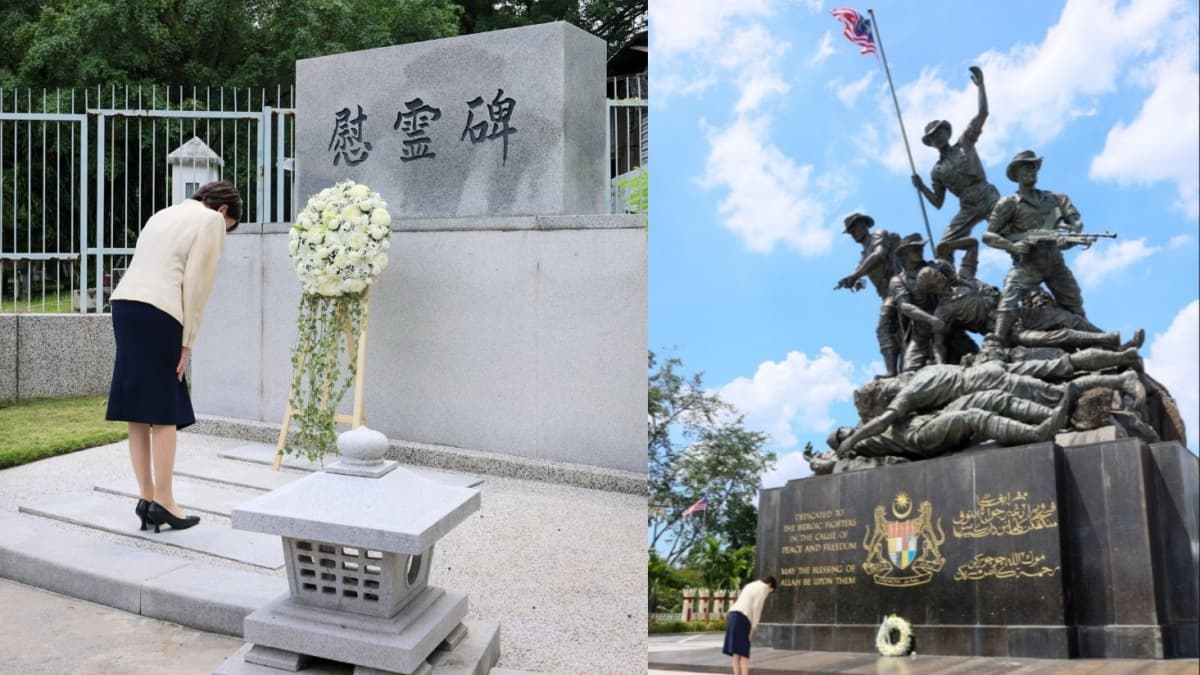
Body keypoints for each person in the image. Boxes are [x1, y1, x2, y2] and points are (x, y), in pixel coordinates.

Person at [105, 181, 242, 533]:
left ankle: (146, 498)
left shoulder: (163, 214)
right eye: (230, 229)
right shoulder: (211, 221)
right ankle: (165, 502)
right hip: (160, 311)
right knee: (164, 405)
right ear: (224, 210)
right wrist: (188, 341)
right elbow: (196, 282)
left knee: (137, 407)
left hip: (125, 305)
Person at [982, 150, 1089, 345]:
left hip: (1054, 261)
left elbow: (1076, 223)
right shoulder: (1009, 203)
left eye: (1032, 166)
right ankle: (996, 339)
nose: (1029, 171)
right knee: (1010, 294)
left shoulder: (1056, 199)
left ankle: (1093, 343)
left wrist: (1072, 236)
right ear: (1016, 174)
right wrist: (1012, 246)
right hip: (1029, 263)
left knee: (1074, 303)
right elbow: (988, 235)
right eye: (1024, 167)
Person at [911, 66, 999, 279]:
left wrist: (981, 87)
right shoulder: (937, 171)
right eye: (932, 137)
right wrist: (921, 186)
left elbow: (982, 114)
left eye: (939, 132)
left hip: (987, 196)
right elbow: (938, 203)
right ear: (930, 143)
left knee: (1009, 230)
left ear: (946, 132)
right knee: (944, 246)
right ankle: (950, 283)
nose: (937, 137)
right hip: (967, 206)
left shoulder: (965, 143)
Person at [834, 213, 902, 375]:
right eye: (850, 232)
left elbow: (879, 255)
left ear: (865, 225)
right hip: (887, 295)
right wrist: (852, 280)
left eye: (855, 228)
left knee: (883, 329)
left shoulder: (879, 235)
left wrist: (856, 275)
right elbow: (861, 268)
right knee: (893, 333)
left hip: (899, 288)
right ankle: (896, 370)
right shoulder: (863, 256)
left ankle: (892, 373)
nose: (853, 234)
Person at [722, 575, 776, 675]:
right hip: (742, 618)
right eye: (771, 591)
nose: (768, 593)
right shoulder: (763, 588)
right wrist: (753, 628)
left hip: (732, 615)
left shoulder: (750, 585)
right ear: (770, 585)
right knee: (743, 652)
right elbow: (756, 608)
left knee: (736, 651)